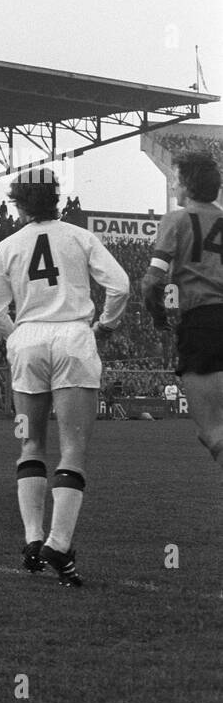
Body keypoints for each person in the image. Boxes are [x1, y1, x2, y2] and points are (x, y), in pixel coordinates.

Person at [0, 168, 129, 586]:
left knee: (30, 441)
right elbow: (119, 286)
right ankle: (58, 543)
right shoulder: (80, 237)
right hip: (73, 342)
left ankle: (32, 538)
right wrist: (107, 325)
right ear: (57, 200)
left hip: (27, 345)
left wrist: (18, 339)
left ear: (20, 204)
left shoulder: (7, 246)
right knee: (73, 447)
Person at [141, 151, 223, 475]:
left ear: (187, 185)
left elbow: (151, 282)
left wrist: (159, 317)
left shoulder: (176, 220)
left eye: (176, 179)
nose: (174, 186)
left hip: (201, 325)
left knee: (213, 433)